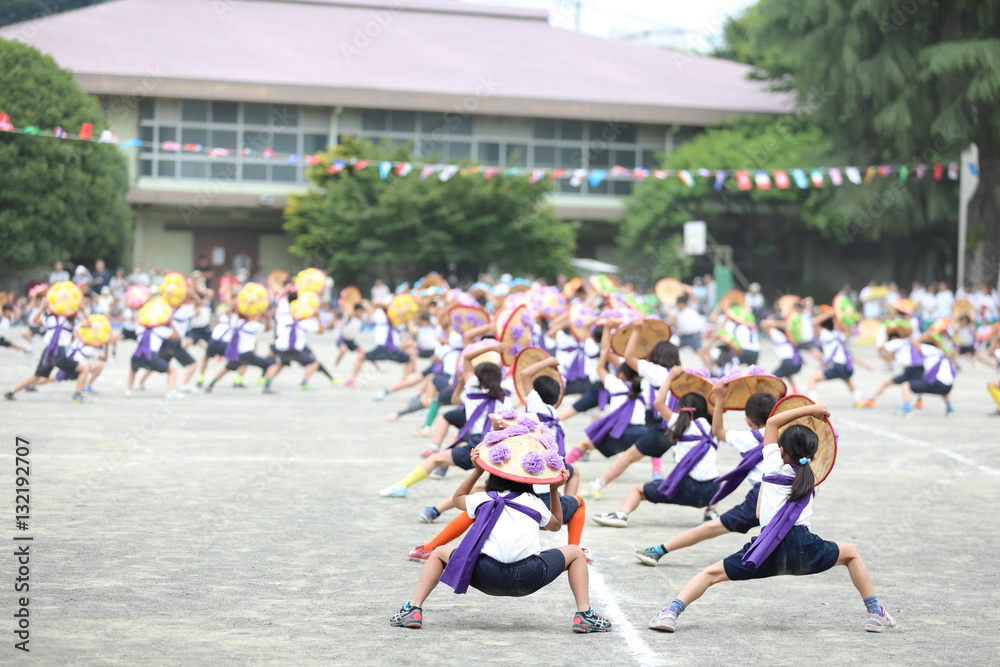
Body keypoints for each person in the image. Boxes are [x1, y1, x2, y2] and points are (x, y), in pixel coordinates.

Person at [647, 402, 897, 635]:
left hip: (767, 549)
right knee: (851, 553)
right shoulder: (808, 475)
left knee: (710, 574)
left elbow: (773, 422)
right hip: (804, 549)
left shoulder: (772, 463)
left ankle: (670, 613)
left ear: (780, 450)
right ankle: (875, 613)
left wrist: (811, 408)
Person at [389, 443, 611, 633]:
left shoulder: (483, 498)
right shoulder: (533, 502)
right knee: (575, 552)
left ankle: (413, 609)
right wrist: (554, 489)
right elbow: (555, 525)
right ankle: (584, 615)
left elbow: (457, 499)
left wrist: (476, 470)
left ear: (492, 476)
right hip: (528, 576)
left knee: (438, 553)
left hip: (485, 575)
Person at [635, 385, 776, 566]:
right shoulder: (787, 433)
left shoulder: (749, 438)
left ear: (748, 422)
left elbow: (717, 430)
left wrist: (719, 399)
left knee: (713, 528)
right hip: (793, 492)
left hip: (762, 496)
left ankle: (660, 550)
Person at [379, 342, 510, 498]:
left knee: (435, 460)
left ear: (477, 376)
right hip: (501, 447)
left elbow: (467, 357)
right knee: (493, 487)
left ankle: (402, 486)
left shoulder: (472, 387)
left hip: (478, 444)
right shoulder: (505, 397)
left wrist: (491, 348)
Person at [591, 368, 719, 528]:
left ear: (680, 408)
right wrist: (718, 396)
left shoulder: (677, 423)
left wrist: (670, 378)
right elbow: (718, 410)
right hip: (710, 492)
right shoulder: (713, 428)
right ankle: (711, 512)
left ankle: (621, 514)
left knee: (637, 491)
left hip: (684, 488)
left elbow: (658, 402)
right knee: (719, 474)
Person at [562, 325, 646, 466]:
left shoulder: (615, 382)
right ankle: (657, 472)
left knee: (583, 441)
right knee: (654, 443)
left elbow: (600, 365)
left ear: (621, 374)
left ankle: (563, 467)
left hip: (617, 425)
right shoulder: (646, 385)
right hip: (640, 430)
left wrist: (607, 329)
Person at [808, 311, 865, 405]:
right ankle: (858, 400)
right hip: (847, 366)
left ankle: (812, 402)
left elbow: (814, 322)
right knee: (847, 380)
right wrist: (842, 318)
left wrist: (829, 314)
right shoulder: (839, 335)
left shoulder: (824, 334)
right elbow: (848, 331)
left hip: (838, 366)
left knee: (812, 378)